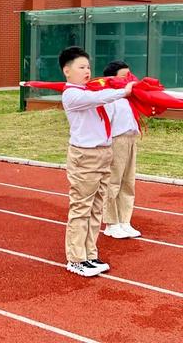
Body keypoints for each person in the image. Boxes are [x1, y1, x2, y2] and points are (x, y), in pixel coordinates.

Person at [60, 47, 134, 277]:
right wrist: (121, 90)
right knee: (81, 207)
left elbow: (106, 107)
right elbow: (96, 98)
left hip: (104, 153)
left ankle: (90, 253)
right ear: (67, 71)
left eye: (88, 67)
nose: (87, 71)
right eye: (81, 67)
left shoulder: (92, 92)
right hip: (85, 156)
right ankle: (75, 258)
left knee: (96, 208)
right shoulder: (72, 95)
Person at [103, 60, 141, 239]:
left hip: (131, 139)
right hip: (116, 141)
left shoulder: (129, 96)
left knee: (128, 182)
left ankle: (125, 220)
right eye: (125, 76)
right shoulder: (109, 97)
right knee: (113, 182)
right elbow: (105, 123)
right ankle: (111, 223)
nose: (129, 78)